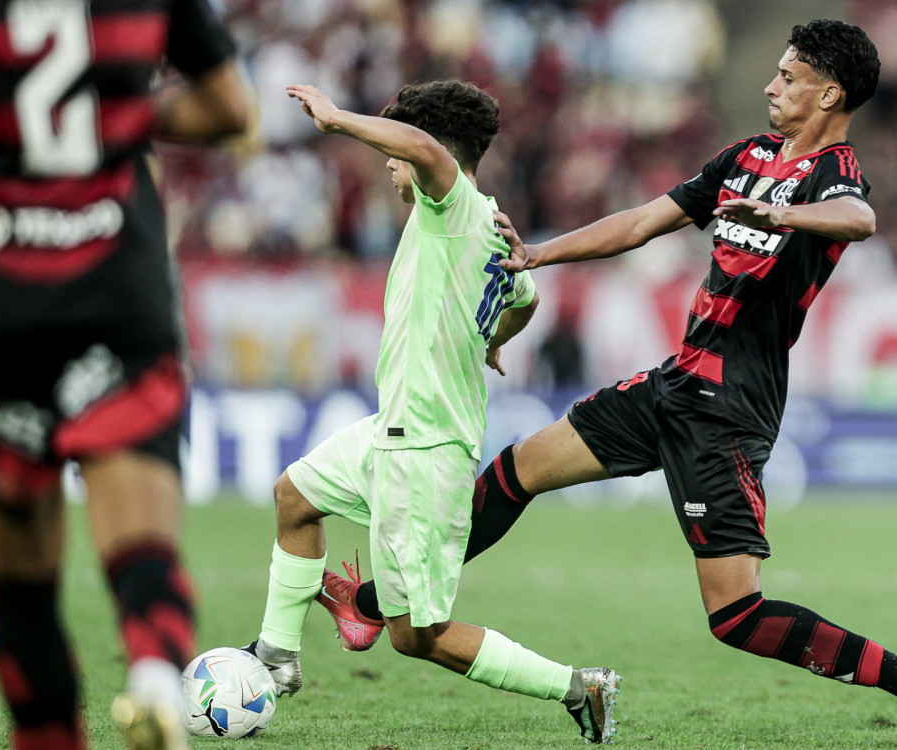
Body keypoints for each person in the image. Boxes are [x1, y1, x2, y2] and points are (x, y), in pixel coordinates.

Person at [321, 19, 897, 750]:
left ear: (829, 93)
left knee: (736, 617)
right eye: (774, 71)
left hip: (729, 412)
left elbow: (858, 219)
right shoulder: (745, 158)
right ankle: (370, 602)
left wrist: (781, 214)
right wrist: (543, 253)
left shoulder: (834, 176)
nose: (771, 85)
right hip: (674, 385)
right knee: (516, 472)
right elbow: (645, 221)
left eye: (789, 76)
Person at [245, 80, 621, 745]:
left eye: (399, 151)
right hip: (394, 429)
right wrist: (496, 340)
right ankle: (276, 660)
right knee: (294, 496)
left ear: (434, 153)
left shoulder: (454, 205)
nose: (391, 163)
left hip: (423, 449)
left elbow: (419, 148)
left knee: (418, 638)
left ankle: (578, 687)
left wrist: (336, 120)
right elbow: (527, 296)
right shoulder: (491, 221)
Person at [0, 1, 249, 749]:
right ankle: (158, 680)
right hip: (114, 291)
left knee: (21, 591)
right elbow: (231, 107)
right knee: (144, 549)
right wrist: (117, 115)